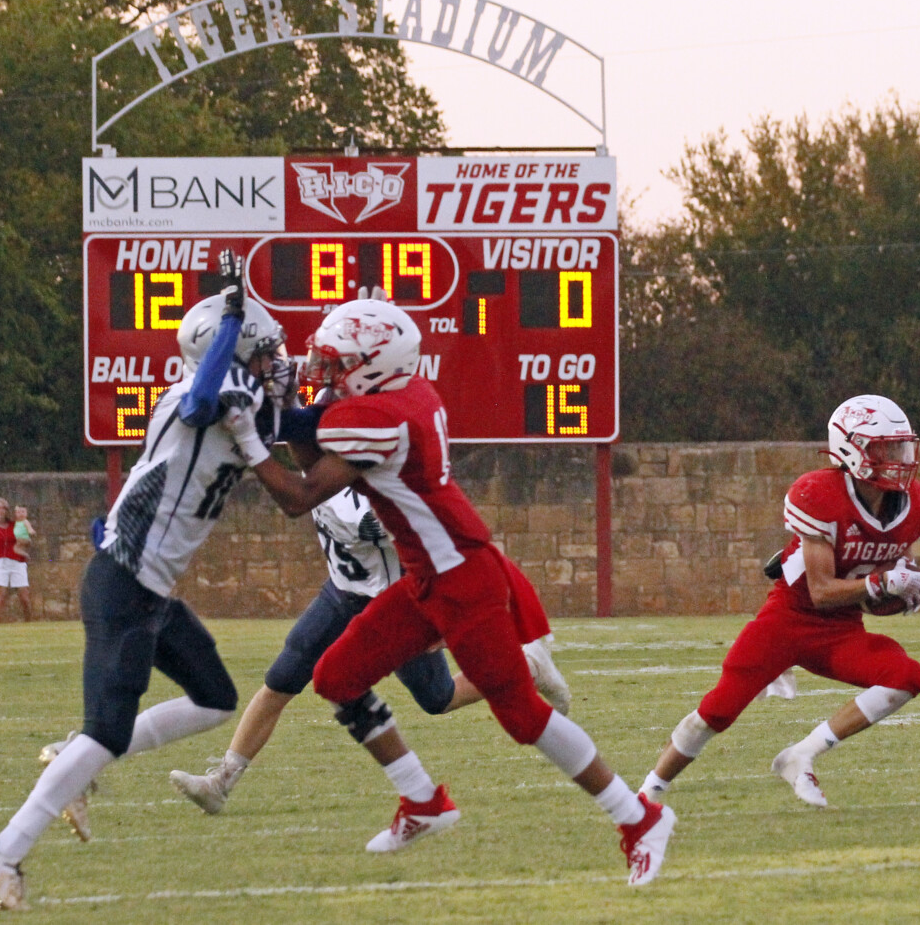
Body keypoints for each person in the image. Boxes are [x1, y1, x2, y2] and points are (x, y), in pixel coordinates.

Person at [241, 297, 675, 884]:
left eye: (337, 363)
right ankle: (422, 801)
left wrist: (245, 429)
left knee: (523, 716)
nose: (326, 373)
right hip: (427, 578)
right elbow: (309, 433)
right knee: (337, 677)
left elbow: (299, 495)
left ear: (372, 366)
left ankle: (638, 817)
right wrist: (272, 410)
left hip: (462, 582)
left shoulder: (380, 419)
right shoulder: (407, 395)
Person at [0, 255, 281, 910]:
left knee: (217, 697)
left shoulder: (240, 400)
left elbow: (283, 418)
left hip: (151, 591)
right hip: (124, 587)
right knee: (105, 730)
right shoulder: (200, 397)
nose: (272, 361)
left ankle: (74, 755)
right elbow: (203, 398)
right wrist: (229, 319)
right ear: (229, 350)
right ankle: (3, 850)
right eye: (262, 350)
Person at [168, 482, 573, 814]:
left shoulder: (363, 493)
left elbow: (401, 524)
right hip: (342, 594)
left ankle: (527, 666)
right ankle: (221, 782)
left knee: (437, 697)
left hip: (396, 602)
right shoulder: (329, 481)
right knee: (280, 681)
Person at [639, 395, 920, 809]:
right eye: (884, 448)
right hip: (787, 621)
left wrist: (898, 594)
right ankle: (649, 790)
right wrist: (883, 581)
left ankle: (801, 755)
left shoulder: (914, 507)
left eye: (900, 446)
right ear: (851, 448)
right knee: (717, 712)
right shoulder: (819, 493)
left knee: (906, 676)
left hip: (840, 630)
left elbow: (866, 594)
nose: (897, 457)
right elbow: (822, 591)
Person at [0, 498, 32, 624]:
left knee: (24, 596)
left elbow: (27, 541)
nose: (0, 511)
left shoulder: (15, 526)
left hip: (17, 562)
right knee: (1, 596)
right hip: (0, 563)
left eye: (3, 508)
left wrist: (22, 544)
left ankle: (29, 623)